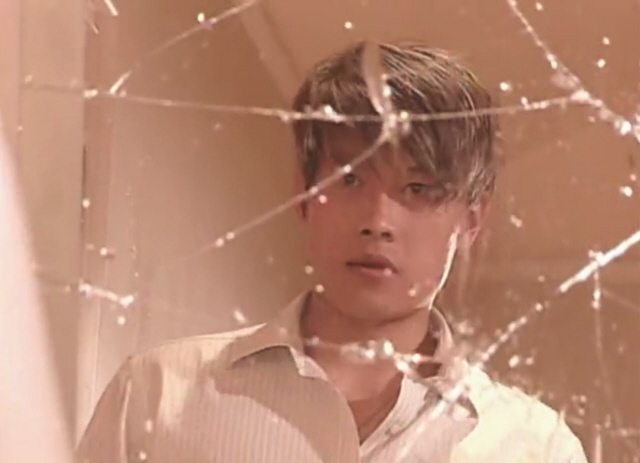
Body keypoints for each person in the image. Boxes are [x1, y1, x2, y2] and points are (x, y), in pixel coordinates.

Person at [77, 41, 587, 462]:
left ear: (470, 220)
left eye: (418, 189)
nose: (377, 222)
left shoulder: (534, 447)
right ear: (304, 195)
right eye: (350, 179)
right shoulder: (156, 396)